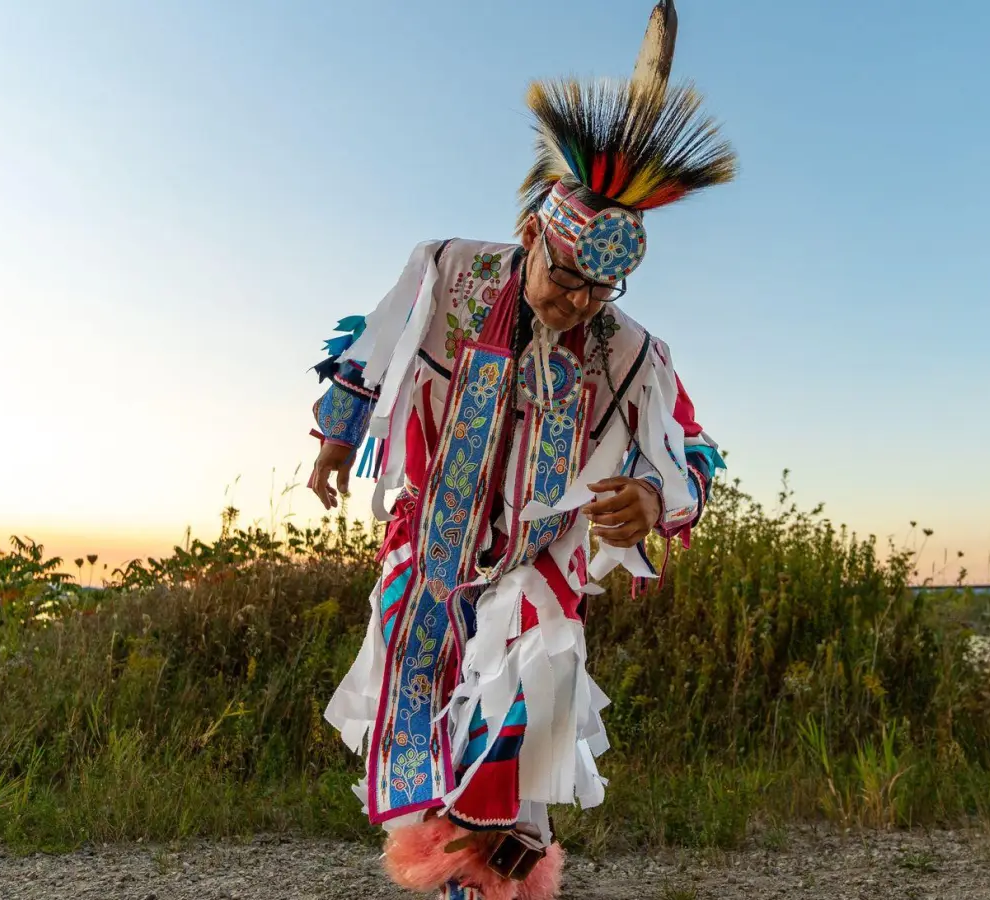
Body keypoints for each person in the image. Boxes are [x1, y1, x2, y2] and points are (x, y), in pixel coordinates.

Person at [306, 4, 734, 897]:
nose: (580, 302)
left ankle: (492, 884)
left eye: (600, 287)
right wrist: (336, 443)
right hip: (428, 545)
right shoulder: (451, 273)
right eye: (566, 277)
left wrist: (652, 499)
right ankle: (462, 881)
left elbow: (689, 451)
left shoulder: (629, 353)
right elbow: (372, 353)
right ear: (535, 235)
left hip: (539, 566)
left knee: (514, 726)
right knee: (421, 723)